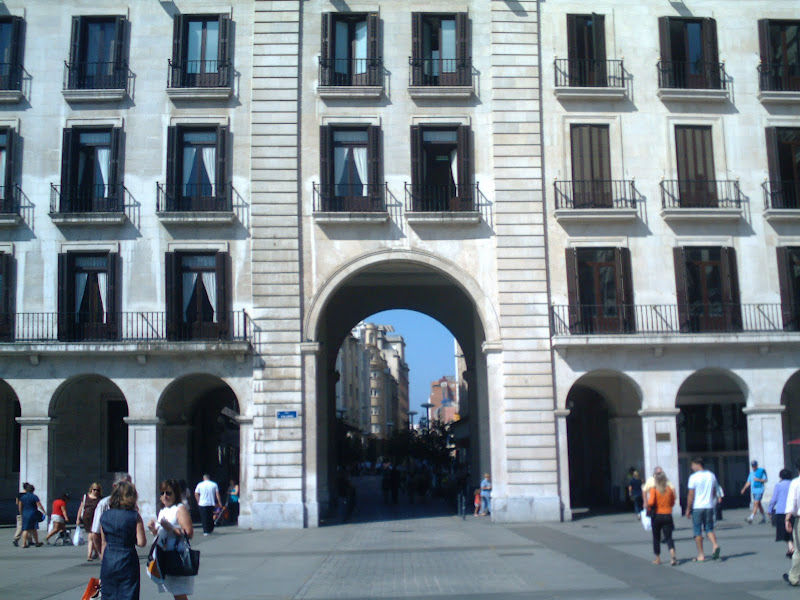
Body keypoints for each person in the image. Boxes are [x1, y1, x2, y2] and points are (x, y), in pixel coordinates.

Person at [148, 479, 195, 600]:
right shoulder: (162, 511)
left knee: (178, 591)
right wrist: (153, 530)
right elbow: (160, 534)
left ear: (175, 494)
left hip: (177, 554)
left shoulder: (180, 509)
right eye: (162, 493)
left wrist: (171, 528)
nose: (165, 496)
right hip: (164, 554)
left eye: (168, 493)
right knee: (173, 590)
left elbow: (189, 533)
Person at [99, 481, 146, 600]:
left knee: (109, 595)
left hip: (108, 558)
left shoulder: (104, 516)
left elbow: (103, 543)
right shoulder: (134, 516)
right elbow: (141, 542)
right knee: (128, 594)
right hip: (127, 557)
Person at [684, 457, 720, 562]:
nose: (691, 467)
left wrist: (687, 509)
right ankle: (715, 545)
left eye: (692, 465)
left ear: (697, 464)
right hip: (709, 506)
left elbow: (691, 494)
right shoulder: (711, 475)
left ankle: (701, 554)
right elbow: (714, 491)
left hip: (698, 507)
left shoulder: (693, 477)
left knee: (697, 531)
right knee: (709, 528)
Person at [93, 473, 133, 558]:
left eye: (130, 485)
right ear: (115, 486)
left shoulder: (132, 505)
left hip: (127, 554)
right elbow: (96, 533)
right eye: (124, 485)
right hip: (109, 553)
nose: (128, 489)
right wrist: (101, 554)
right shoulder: (104, 504)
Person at [647, 470, 677, 566]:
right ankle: (672, 555)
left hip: (657, 515)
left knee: (656, 537)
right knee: (668, 537)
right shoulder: (669, 490)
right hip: (668, 515)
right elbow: (673, 502)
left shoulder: (654, 490)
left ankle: (658, 558)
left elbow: (651, 502)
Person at [769, 469, 795, 558]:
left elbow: (774, 499)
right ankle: (791, 547)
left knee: (784, 532)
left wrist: (770, 509)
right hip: (792, 511)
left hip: (781, 511)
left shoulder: (778, 485)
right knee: (793, 530)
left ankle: (791, 547)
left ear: (781, 476)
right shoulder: (793, 484)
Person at [783, 459, 800, 585]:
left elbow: (792, 503)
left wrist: (787, 518)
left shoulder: (795, 483)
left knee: (798, 550)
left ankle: (793, 577)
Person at [77, 483, 103, 561]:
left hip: (97, 519)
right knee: (91, 536)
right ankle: (90, 555)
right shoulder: (86, 497)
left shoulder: (100, 499)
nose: (96, 491)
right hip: (87, 519)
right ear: (91, 489)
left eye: (98, 490)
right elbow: (81, 508)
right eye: (94, 489)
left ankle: (96, 552)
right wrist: (78, 519)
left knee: (94, 536)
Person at [19, 482, 46, 548]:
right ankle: (37, 542)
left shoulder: (23, 497)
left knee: (25, 529)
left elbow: (20, 506)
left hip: (25, 513)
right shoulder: (34, 497)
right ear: (33, 490)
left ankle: (24, 543)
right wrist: (43, 511)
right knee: (34, 528)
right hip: (33, 513)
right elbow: (39, 504)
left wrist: (21, 513)